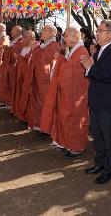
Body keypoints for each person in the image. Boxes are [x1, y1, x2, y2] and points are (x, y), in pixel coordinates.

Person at [80, 19, 111, 184]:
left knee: (108, 137)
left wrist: (90, 68)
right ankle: (99, 163)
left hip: (108, 102)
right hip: (97, 100)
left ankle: (109, 170)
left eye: (100, 31)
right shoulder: (100, 50)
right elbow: (97, 72)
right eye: (97, 30)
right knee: (97, 135)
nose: (97, 34)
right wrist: (91, 66)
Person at [40, 27, 90, 158]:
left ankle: (76, 147)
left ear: (75, 37)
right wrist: (62, 59)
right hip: (70, 94)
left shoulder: (81, 51)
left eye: (66, 36)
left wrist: (61, 60)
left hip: (75, 95)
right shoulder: (76, 50)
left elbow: (71, 71)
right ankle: (69, 144)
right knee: (68, 120)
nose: (64, 39)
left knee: (74, 121)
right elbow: (69, 66)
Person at [24, 24, 60, 130]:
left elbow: (44, 60)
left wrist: (36, 49)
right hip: (39, 78)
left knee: (44, 103)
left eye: (45, 30)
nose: (42, 32)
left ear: (52, 33)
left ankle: (46, 126)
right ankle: (38, 123)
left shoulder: (54, 45)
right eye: (43, 30)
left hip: (45, 80)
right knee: (37, 102)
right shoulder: (44, 44)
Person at [11, 30, 37, 120]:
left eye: (25, 37)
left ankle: (25, 116)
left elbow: (30, 62)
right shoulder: (24, 47)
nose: (23, 39)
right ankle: (19, 112)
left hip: (27, 77)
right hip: (20, 75)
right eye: (23, 37)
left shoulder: (35, 47)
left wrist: (19, 58)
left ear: (32, 38)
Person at [0, 26, 24, 106]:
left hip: (13, 66)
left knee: (11, 85)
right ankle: (7, 101)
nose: (11, 31)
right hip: (8, 65)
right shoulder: (15, 40)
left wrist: (7, 49)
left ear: (18, 32)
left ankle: (10, 102)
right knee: (7, 84)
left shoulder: (20, 41)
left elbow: (15, 54)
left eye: (13, 30)